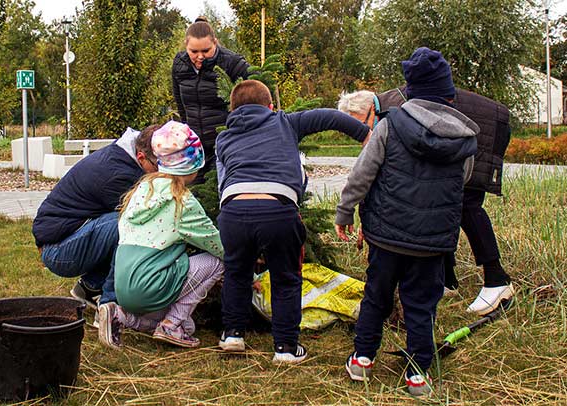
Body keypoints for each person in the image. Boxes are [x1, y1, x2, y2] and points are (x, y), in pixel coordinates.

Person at [335, 48, 478, 396]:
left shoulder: (390, 125)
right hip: (432, 242)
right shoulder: (464, 137)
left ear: (410, 91)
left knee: (376, 296)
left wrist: (345, 211)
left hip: (386, 236)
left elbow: (362, 173)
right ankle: (417, 375)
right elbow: (462, 181)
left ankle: (363, 358)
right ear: (448, 93)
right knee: (421, 304)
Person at [215, 79, 371, 364]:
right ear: (270, 107)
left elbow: (222, 181)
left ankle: (233, 334)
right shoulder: (285, 122)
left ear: (233, 109)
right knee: (286, 278)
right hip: (278, 210)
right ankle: (286, 348)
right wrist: (364, 134)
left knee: (237, 272)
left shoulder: (223, 138)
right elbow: (330, 116)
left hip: (233, 211)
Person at [339, 84, 514, 315]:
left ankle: (497, 280)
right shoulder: (389, 108)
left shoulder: (396, 109)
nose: (361, 133)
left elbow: (376, 172)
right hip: (477, 128)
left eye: (361, 124)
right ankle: (447, 280)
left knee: (466, 205)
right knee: (437, 203)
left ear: (369, 108)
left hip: (485, 130)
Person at [97, 121, 224, 349]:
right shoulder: (182, 202)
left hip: (124, 288)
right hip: (150, 285)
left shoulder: (141, 191)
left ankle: (120, 315)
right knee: (216, 262)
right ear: (192, 164)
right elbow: (216, 244)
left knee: (190, 327)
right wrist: (248, 257)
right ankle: (171, 325)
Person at [32, 126, 159, 311]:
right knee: (130, 224)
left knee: (125, 225)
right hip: (57, 250)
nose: (164, 171)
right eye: (159, 165)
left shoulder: (127, 156)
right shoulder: (118, 174)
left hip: (71, 235)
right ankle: (110, 306)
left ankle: (90, 287)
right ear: (141, 157)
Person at [172, 19, 250, 184]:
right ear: (186, 45)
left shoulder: (232, 63)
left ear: (215, 43)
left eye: (206, 50)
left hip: (224, 142)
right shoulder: (179, 64)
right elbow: (180, 101)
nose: (200, 56)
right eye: (194, 51)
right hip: (194, 144)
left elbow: (250, 98)